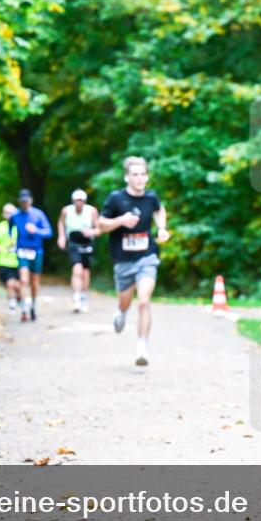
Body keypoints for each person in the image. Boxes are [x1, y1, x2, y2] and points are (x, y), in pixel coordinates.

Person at [97, 156, 170, 366]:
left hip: (147, 257)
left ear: (147, 177)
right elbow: (101, 225)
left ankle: (142, 345)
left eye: (142, 174)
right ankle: (121, 312)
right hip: (123, 261)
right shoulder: (116, 199)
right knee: (125, 301)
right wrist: (120, 221)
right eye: (134, 174)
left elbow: (159, 209)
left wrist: (162, 228)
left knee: (144, 300)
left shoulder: (151, 197)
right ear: (127, 177)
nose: (139, 178)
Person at [10, 189, 53, 322]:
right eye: (22, 202)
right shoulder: (14, 216)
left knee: (35, 280)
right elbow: (10, 230)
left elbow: (49, 232)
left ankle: (33, 305)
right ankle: (23, 308)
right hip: (22, 250)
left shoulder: (38, 214)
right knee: (23, 279)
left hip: (36, 250)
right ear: (19, 202)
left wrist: (36, 230)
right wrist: (12, 241)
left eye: (27, 201)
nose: (25, 204)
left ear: (31, 201)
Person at [57, 189, 100, 313]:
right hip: (73, 242)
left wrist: (91, 232)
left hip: (87, 243)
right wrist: (62, 237)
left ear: (85, 201)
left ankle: (84, 297)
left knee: (85, 273)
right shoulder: (66, 210)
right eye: (77, 200)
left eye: (81, 200)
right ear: (73, 201)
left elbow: (98, 229)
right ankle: (76, 298)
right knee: (77, 269)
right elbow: (60, 222)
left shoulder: (92, 211)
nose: (79, 203)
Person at [0, 204, 22, 317]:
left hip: (19, 260)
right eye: (7, 212)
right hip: (4, 261)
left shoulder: (19, 226)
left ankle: (18, 298)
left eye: (11, 212)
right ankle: (12, 304)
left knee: (18, 285)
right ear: (3, 214)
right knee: (9, 283)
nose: (9, 215)